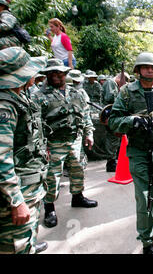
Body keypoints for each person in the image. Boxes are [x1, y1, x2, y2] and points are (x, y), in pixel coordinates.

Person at [108, 52, 153, 254]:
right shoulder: (126, 92)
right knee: (144, 198)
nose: (150, 70)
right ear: (138, 70)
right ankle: (147, 241)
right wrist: (132, 121)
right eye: (145, 67)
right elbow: (113, 121)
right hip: (138, 151)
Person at [31, 59, 97, 229]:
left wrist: (89, 133)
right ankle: (50, 208)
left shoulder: (77, 93)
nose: (57, 76)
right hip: (53, 143)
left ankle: (78, 197)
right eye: (53, 73)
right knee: (52, 177)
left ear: (65, 74)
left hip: (75, 139)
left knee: (78, 169)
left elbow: (85, 114)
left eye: (60, 73)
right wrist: (41, 146)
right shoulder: (38, 96)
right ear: (47, 75)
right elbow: (35, 124)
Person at [0, 47, 48, 254]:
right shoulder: (5, 106)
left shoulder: (18, 96)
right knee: (15, 246)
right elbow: (1, 157)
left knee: (26, 241)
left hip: (29, 184)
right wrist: (17, 201)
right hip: (17, 193)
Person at [101, 72, 129, 172]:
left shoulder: (113, 84)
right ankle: (111, 162)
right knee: (112, 138)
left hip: (113, 114)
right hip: (110, 114)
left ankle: (114, 160)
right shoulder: (110, 83)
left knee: (115, 138)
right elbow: (110, 98)